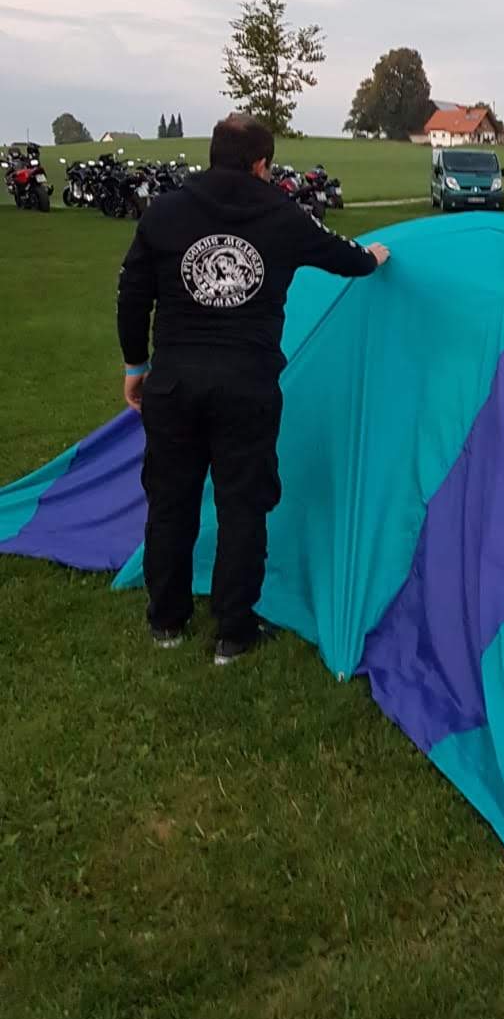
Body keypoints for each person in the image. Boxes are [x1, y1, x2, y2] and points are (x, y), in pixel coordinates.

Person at [117, 114, 391, 663]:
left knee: (170, 502)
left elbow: (132, 295)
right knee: (243, 506)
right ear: (261, 164)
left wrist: (135, 366)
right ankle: (233, 632)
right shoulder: (282, 215)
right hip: (247, 386)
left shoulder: (164, 211)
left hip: (173, 383)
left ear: (213, 153)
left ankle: (166, 620)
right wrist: (374, 257)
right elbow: (346, 257)